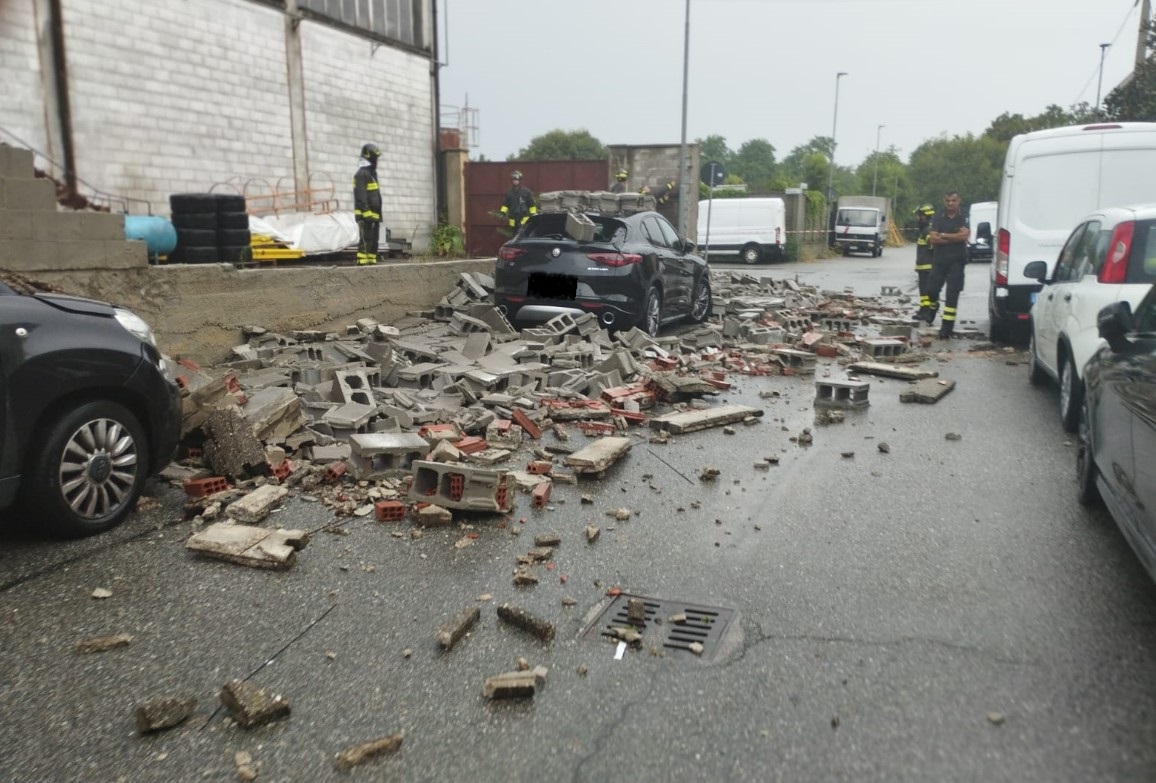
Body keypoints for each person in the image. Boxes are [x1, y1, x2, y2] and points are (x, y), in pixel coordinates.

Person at [923, 191, 970, 338]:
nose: (951, 203)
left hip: (957, 261)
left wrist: (943, 235)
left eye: (953, 200)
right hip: (939, 260)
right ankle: (933, 306)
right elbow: (933, 239)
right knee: (931, 289)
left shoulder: (964, 216)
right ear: (944, 201)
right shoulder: (938, 216)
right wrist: (954, 238)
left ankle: (946, 327)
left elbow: (965, 236)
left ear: (958, 201)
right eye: (948, 201)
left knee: (952, 294)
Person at [352, 142, 382, 265]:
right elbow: (361, 196)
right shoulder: (361, 175)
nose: (377, 161)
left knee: (374, 240)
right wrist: (366, 212)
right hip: (366, 215)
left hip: (374, 214)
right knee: (366, 239)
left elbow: (375, 196)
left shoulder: (371, 174)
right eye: (375, 158)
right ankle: (362, 261)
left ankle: (371, 259)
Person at [913, 204, 936, 319]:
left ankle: (927, 311)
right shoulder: (926, 229)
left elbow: (932, 245)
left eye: (919, 216)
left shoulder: (927, 230)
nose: (918, 218)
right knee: (923, 291)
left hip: (927, 267)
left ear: (925, 216)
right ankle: (923, 310)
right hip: (924, 266)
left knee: (925, 291)